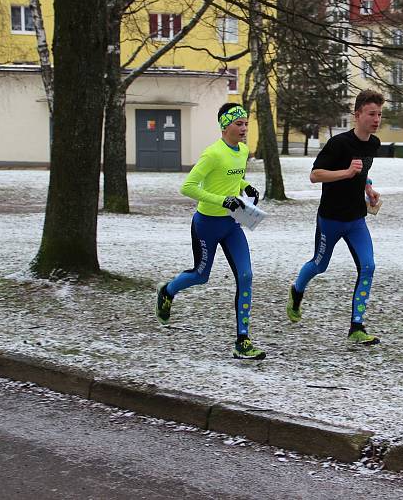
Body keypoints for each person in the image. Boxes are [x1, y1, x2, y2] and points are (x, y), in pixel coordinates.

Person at [155, 103, 265, 360]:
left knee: (246, 275)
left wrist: (246, 186)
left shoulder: (243, 150)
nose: (244, 129)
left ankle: (242, 340)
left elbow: (231, 178)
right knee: (201, 275)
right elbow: (188, 187)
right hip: (206, 224)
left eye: (246, 124)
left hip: (231, 224)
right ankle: (167, 291)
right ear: (225, 126)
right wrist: (222, 200)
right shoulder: (212, 154)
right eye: (239, 124)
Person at [287, 90, 384, 345]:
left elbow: (362, 173)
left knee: (368, 266)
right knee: (319, 265)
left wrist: (368, 188)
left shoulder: (373, 143)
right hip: (330, 219)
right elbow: (315, 175)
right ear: (357, 115)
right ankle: (297, 290)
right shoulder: (338, 144)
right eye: (371, 114)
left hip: (356, 220)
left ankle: (357, 327)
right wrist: (345, 173)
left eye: (380, 114)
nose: (376, 119)